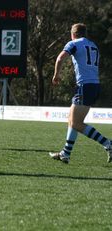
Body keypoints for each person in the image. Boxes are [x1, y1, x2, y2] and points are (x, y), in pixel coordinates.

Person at [49, 23, 111, 164]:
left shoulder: (73, 43)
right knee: (72, 119)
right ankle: (66, 153)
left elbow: (60, 58)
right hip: (93, 85)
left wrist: (56, 75)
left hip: (85, 86)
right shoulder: (93, 45)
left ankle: (108, 143)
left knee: (76, 123)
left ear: (73, 34)